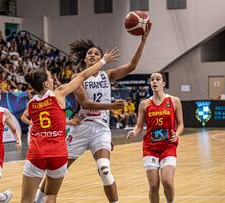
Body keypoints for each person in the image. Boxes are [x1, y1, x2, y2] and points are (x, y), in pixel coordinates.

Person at [35, 23, 151, 203]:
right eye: (89, 53)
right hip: (80, 128)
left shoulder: (107, 75)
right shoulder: (77, 78)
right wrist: (111, 106)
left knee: (104, 169)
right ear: (85, 59)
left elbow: (132, 66)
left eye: (96, 53)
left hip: (101, 130)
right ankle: (38, 199)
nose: (92, 55)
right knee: (58, 170)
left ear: (100, 58)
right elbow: (85, 103)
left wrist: (143, 41)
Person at [21, 48, 120, 203]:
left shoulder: (31, 104)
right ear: (47, 83)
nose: (54, 79)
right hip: (57, 154)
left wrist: (68, 122)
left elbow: (37, 121)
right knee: (51, 195)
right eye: (51, 77)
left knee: (26, 200)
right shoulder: (58, 93)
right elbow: (83, 76)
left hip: (37, 152)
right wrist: (104, 60)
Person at [127, 72, 184, 203]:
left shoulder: (174, 101)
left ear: (163, 83)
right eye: (152, 79)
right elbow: (139, 127)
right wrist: (133, 132)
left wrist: (177, 134)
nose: (154, 81)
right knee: (153, 186)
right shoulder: (144, 104)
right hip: (150, 147)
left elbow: (180, 124)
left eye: (158, 79)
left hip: (168, 146)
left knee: (167, 181)